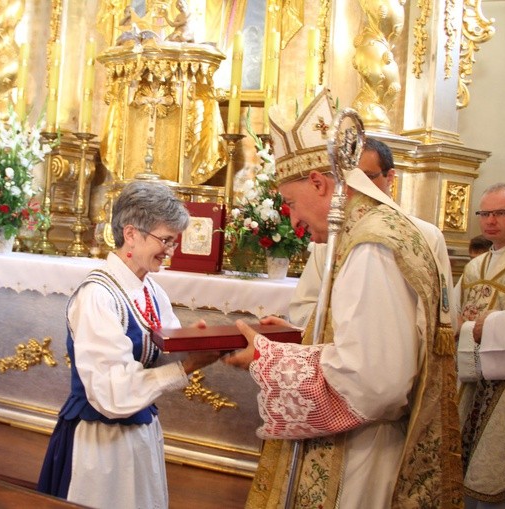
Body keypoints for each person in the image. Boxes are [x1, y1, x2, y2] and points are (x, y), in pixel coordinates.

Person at [224, 94, 462, 508]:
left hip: (359, 454)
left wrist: (267, 359)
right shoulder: (379, 230)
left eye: (293, 204)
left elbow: (376, 383)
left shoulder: (372, 245)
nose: (294, 221)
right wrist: (300, 341)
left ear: (319, 183)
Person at [37, 181, 220, 509]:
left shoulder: (150, 291)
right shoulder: (98, 296)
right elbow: (111, 393)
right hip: (100, 441)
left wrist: (202, 343)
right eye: (165, 240)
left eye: (173, 242)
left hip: (139, 432)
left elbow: (165, 351)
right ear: (132, 234)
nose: (170, 251)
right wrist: (189, 364)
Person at [288, 137, 457, 335]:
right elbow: (302, 307)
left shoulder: (426, 235)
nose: (353, 188)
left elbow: (443, 318)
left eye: (365, 177)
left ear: (390, 178)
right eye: (346, 180)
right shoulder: (327, 239)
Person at [456, 183, 505, 508]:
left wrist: (480, 327)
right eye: (484, 213)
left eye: (500, 213)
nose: (490, 220)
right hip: (472, 385)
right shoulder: (475, 267)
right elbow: (456, 319)